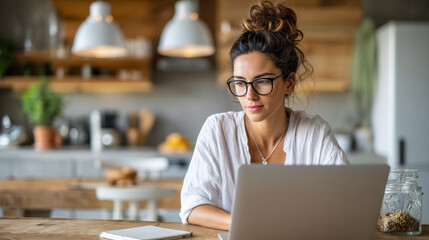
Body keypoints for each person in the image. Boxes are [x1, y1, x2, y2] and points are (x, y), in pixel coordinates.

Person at [179, 0, 349, 231]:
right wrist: (248, 224)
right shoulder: (217, 129)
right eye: (240, 83)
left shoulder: (315, 133)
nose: (249, 95)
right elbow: (192, 207)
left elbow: (345, 203)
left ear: (289, 83)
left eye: (262, 82)